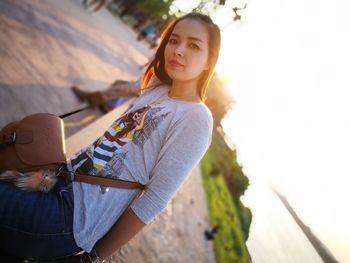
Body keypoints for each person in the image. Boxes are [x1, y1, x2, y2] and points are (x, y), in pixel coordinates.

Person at [0, 12, 221, 262]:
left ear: (208, 61)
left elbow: (156, 199)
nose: (178, 50)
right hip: (56, 181)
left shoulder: (197, 118)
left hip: (70, 219)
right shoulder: (158, 87)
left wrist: (93, 257)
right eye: (173, 40)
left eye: (193, 45)